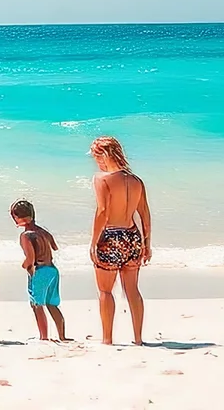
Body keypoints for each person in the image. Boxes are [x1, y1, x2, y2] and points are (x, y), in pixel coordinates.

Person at [88, 136, 152, 345]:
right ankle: (138, 339)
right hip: (132, 237)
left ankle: (107, 339)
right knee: (132, 290)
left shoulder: (101, 179)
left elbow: (103, 212)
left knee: (106, 291)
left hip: (110, 237)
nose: (95, 161)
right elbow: (144, 214)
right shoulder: (136, 181)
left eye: (96, 156)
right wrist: (147, 244)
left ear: (103, 155)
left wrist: (94, 241)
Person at [10, 198, 66, 341]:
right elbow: (54, 246)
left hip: (39, 271)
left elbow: (30, 257)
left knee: (37, 304)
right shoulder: (43, 232)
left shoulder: (25, 235)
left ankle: (44, 336)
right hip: (52, 270)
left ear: (19, 218)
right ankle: (62, 335)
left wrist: (24, 265)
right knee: (51, 303)